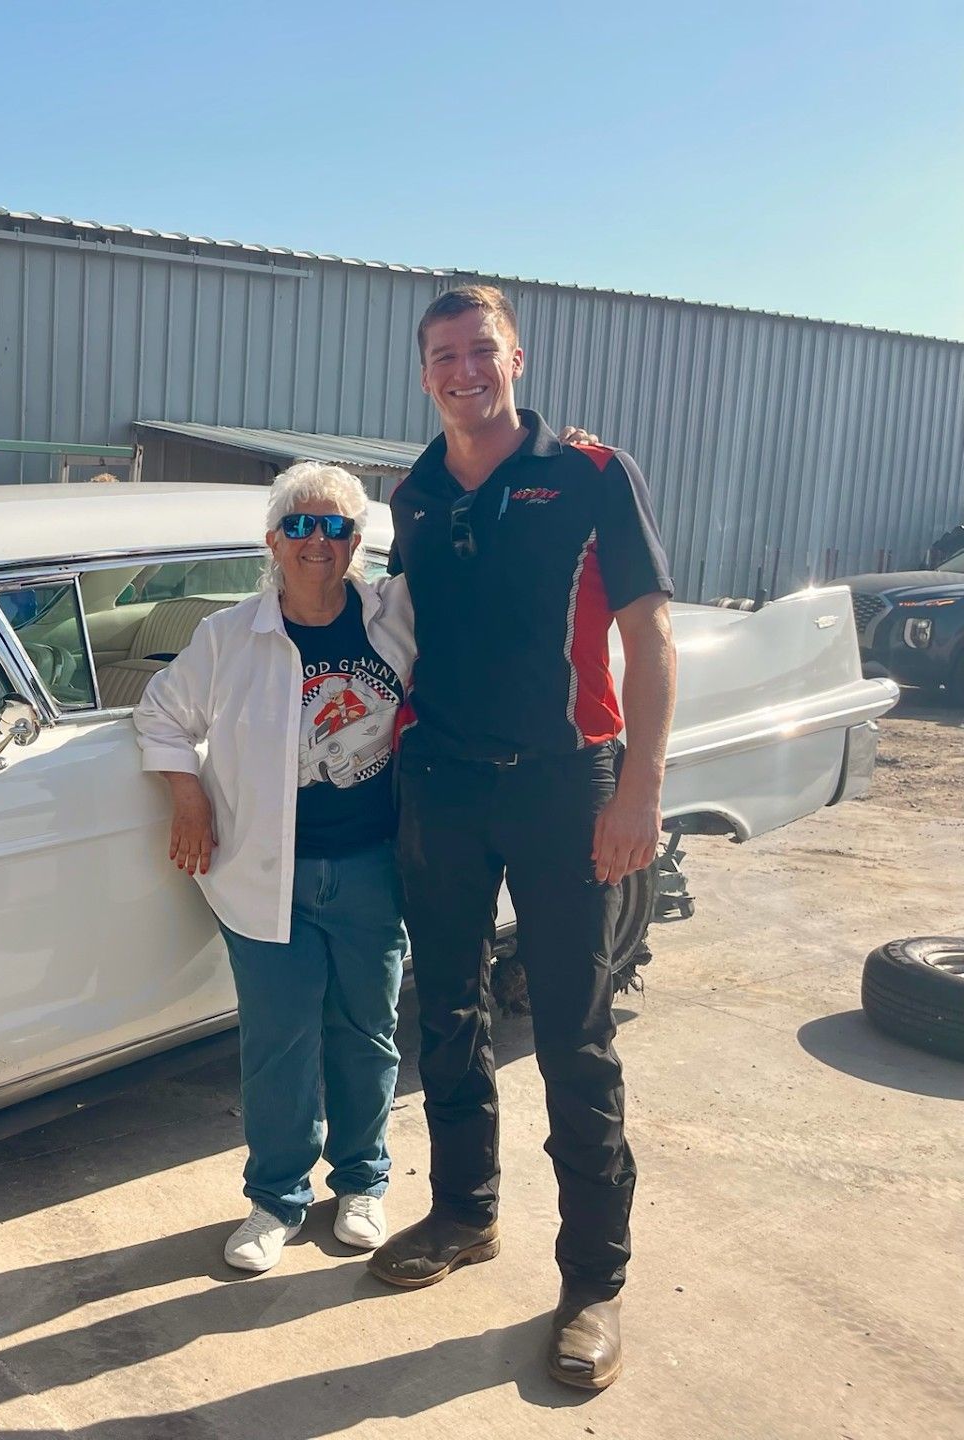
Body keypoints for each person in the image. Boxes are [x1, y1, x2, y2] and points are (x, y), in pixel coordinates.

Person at [372, 284, 675, 1392]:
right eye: (444, 355)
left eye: (481, 351)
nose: (464, 370)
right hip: (443, 782)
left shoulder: (592, 475)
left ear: (518, 359)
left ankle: (595, 1281)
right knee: (444, 1009)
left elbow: (648, 636)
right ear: (424, 373)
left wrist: (638, 786)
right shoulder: (407, 493)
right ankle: (464, 1213)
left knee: (573, 1032)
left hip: (564, 784)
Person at [134, 463, 415, 1272]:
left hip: (373, 867)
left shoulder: (396, 622)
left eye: (334, 528)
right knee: (278, 1042)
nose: (316, 543)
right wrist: (188, 802)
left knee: (367, 1033)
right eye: (300, 526)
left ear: (357, 545)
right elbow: (160, 712)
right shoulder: (231, 636)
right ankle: (276, 1200)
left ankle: (362, 1183)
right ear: (273, 542)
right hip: (267, 874)